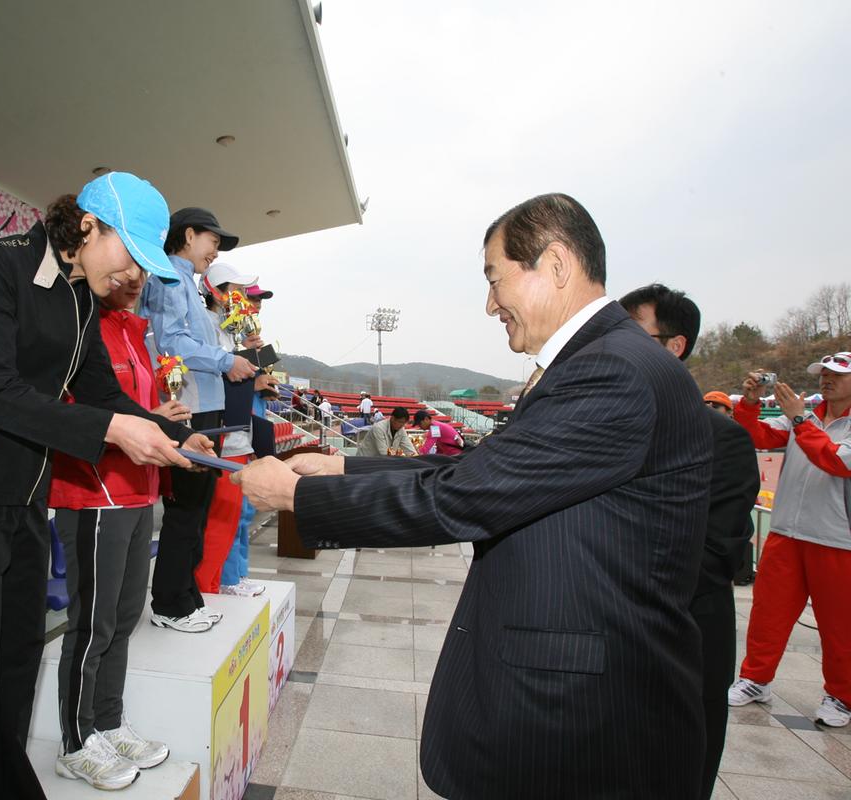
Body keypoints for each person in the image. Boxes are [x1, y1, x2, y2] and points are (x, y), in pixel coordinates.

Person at [233, 193, 714, 799]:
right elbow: (483, 469)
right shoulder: (604, 362)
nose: (490, 304)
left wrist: (298, 499)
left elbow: (465, 497)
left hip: (585, 722)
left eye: (495, 279)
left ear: (556, 265)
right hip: (574, 705)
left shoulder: (611, 371)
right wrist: (339, 470)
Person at [0, 172, 210, 800]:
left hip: (23, 502)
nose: (130, 276)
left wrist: (170, 438)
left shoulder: (79, 298)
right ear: (88, 226)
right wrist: (116, 430)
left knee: (16, 668)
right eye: (128, 255)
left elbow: (101, 393)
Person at [48, 267, 186, 790]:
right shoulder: (81, 327)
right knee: (92, 624)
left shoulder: (135, 331)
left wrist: (171, 433)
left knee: (125, 617)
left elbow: (133, 411)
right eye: (126, 270)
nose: (134, 281)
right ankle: (75, 740)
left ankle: (107, 719)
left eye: (143, 276)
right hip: (93, 490)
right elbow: (75, 411)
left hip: (137, 490)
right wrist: (150, 422)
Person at [620, 283, 760, 797]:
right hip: (613, 647)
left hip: (684, 647)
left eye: (631, 334)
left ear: (673, 347)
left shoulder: (723, 440)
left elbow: (714, 552)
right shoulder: (610, 424)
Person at [142, 207, 256, 633]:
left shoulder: (185, 283)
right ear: (188, 235)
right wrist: (227, 360)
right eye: (213, 241)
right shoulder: (170, 279)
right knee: (186, 509)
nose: (215, 251)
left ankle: (186, 596)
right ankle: (169, 602)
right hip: (189, 409)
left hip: (207, 406)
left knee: (198, 508)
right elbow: (172, 342)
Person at [727, 351, 851, 728]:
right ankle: (755, 679)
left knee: (840, 625)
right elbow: (756, 436)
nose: (826, 380)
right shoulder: (807, 415)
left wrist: (799, 418)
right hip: (785, 533)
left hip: (838, 539)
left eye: (837, 375)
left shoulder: (804, 417)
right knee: (768, 613)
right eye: (824, 373)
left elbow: (836, 461)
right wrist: (749, 404)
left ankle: (841, 697)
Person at [198, 262, 270, 599]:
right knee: (223, 516)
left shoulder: (229, 330)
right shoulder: (207, 326)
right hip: (222, 434)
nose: (242, 299)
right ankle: (210, 585)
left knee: (232, 516)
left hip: (239, 433)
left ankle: (219, 583)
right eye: (236, 292)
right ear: (217, 292)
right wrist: (252, 381)